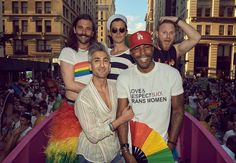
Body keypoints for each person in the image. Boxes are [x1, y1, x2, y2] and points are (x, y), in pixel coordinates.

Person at [116, 31, 184, 162]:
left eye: (146, 47)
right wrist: (125, 151)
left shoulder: (172, 74)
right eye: (136, 49)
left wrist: (171, 144)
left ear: (153, 48)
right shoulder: (124, 77)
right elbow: (121, 115)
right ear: (131, 53)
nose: (142, 53)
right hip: (133, 149)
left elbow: (178, 111)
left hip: (161, 147)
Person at [45, 14, 96, 163]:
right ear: (74, 29)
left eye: (88, 29)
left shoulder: (98, 51)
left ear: (93, 32)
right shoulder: (68, 52)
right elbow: (70, 84)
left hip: (94, 111)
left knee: (92, 156)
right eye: (80, 28)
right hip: (72, 112)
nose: (83, 32)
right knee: (69, 156)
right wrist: (97, 92)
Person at [75, 42, 134, 163]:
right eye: (97, 60)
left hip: (115, 152)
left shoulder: (117, 87)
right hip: (92, 157)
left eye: (105, 60)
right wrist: (121, 120)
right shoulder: (83, 98)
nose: (102, 65)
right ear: (90, 66)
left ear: (110, 66)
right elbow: (93, 136)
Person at [106, 14, 135, 81]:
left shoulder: (132, 55)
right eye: (114, 30)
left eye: (121, 30)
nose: (118, 33)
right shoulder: (105, 53)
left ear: (126, 32)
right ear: (110, 33)